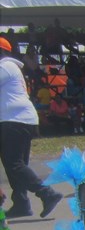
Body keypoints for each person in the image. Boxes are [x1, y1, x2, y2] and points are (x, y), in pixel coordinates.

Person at [0, 37, 63, 218]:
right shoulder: (10, 67)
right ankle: (21, 203)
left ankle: (47, 193)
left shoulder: (5, 66)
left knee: (14, 164)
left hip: (14, 120)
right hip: (19, 119)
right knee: (16, 163)